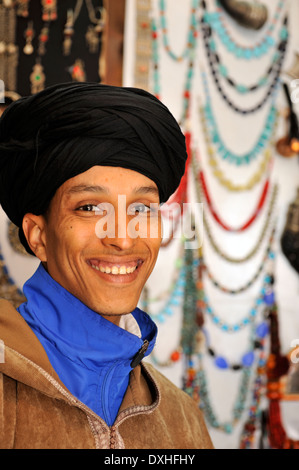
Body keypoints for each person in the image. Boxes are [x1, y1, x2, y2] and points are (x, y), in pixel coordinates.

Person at [0, 82, 213, 449]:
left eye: (142, 209)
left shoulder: (182, 420)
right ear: (38, 236)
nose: (123, 238)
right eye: (89, 208)